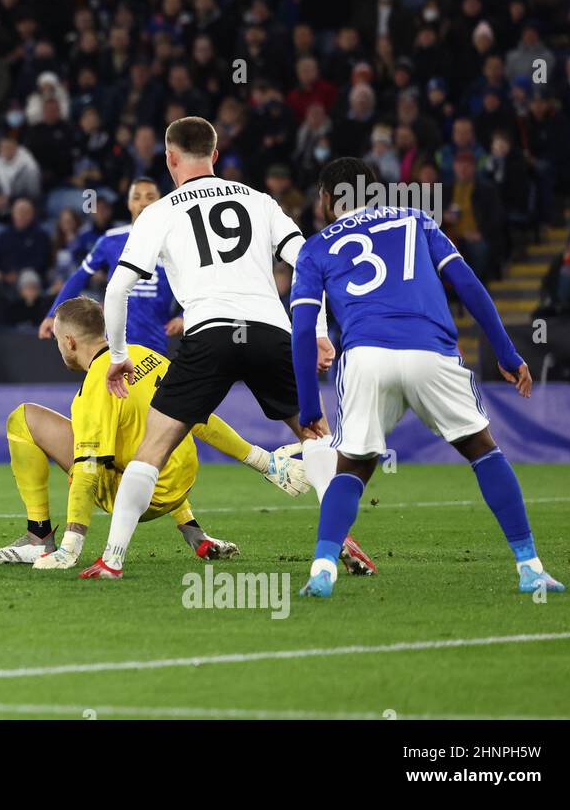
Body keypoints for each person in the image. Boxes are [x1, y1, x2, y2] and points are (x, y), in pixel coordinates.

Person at [90, 116, 374, 579]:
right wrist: (320, 329)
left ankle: (112, 559)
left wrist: (119, 356)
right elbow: (307, 260)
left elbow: (118, 288)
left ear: (170, 158)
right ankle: (339, 541)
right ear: (215, 156)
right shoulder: (259, 200)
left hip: (209, 333)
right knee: (315, 434)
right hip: (270, 331)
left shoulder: (159, 212)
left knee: (153, 448)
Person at [291, 158, 563, 597]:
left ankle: (323, 569)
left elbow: (304, 330)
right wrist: (507, 353)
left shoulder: (316, 247)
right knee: (483, 451)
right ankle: (530, 567)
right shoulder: (415, 219)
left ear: (327, 198)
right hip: (430, 352)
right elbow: (469, 286)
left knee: (353, 468)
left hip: (366, 360)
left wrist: (307, 406)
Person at [0, 296, 315, 569]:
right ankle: (195, 534)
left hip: (134, 498)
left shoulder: (94, 389)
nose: (60, 348)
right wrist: (264, 462)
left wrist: (71, 545)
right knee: (151, 423)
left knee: (23, 418)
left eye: (59, 341)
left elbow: (87, 470)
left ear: (69, 342)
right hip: (179, 481)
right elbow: (201, 418)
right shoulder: (146, 355)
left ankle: (40, 539)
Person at [40, 177, 177, 352]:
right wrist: (53, 314)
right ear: (128, 203)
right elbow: (80, 276)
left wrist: (182, 316)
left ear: (159, 203)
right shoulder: (110, 240)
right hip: (114, 346)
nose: (143, 202)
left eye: (150, 197)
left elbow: (194, 284)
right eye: (136, 197)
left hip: (156, 343)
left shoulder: (175, 242)